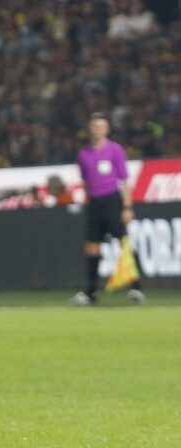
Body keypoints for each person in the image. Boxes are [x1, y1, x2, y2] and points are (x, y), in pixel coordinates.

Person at [70, 112, 145, 305]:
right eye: (95, 126)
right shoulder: (83, 154)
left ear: (107, 129)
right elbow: (85, 181)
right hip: (95, 203)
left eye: (101, 126)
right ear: (90, 129)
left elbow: (124, 180)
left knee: (123, 243)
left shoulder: (115, 150)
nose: (98, 130)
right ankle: (91, 291)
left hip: (113, 200)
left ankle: (136, 287)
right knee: (92, 247)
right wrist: (89, 202)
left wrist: (127, 207)